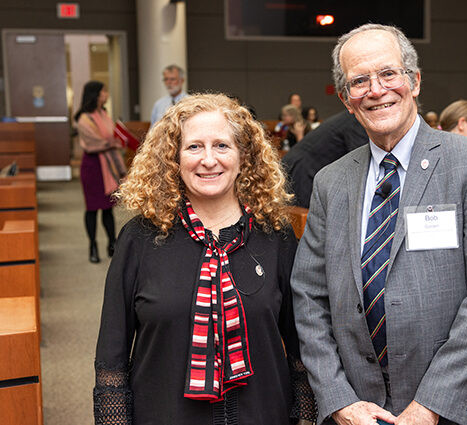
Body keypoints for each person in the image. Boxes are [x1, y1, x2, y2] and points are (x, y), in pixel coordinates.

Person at [291, 23, 467, 425]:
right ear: (347, 100)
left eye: (388, 74)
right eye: (359, 81)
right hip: (362, 412)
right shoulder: (331, 181)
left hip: (463, 407)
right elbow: (309, 297)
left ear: (413, 81)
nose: (376, 90)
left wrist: (431, 404)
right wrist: (338, 398)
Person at [93, 93, 316, 425]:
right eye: (194, 147)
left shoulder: (276, 236)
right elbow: (112, 356)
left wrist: (306, 418)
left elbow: (301, 347)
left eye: (222, 146)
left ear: (245, 157)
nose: (208, 160)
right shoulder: (139, 239)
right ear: (173, 158)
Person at [75, 81, 126, 263]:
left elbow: (111, 137)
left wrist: (115, 141)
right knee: (92, 208)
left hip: (108, 165)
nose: (106, 94)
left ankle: (112, 244)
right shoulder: (84, 118)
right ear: (95, 95)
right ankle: (93, 246)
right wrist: (112, 142)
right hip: (93, 166)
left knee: (107, 207)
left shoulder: (103, 113)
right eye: (103, 91)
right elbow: (94, 143)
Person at [282, 110, 368, 208]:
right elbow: (361, 162)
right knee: (302, 216)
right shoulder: (355, 120)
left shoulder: (353, 118)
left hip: (305, 167)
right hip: (302, 169)